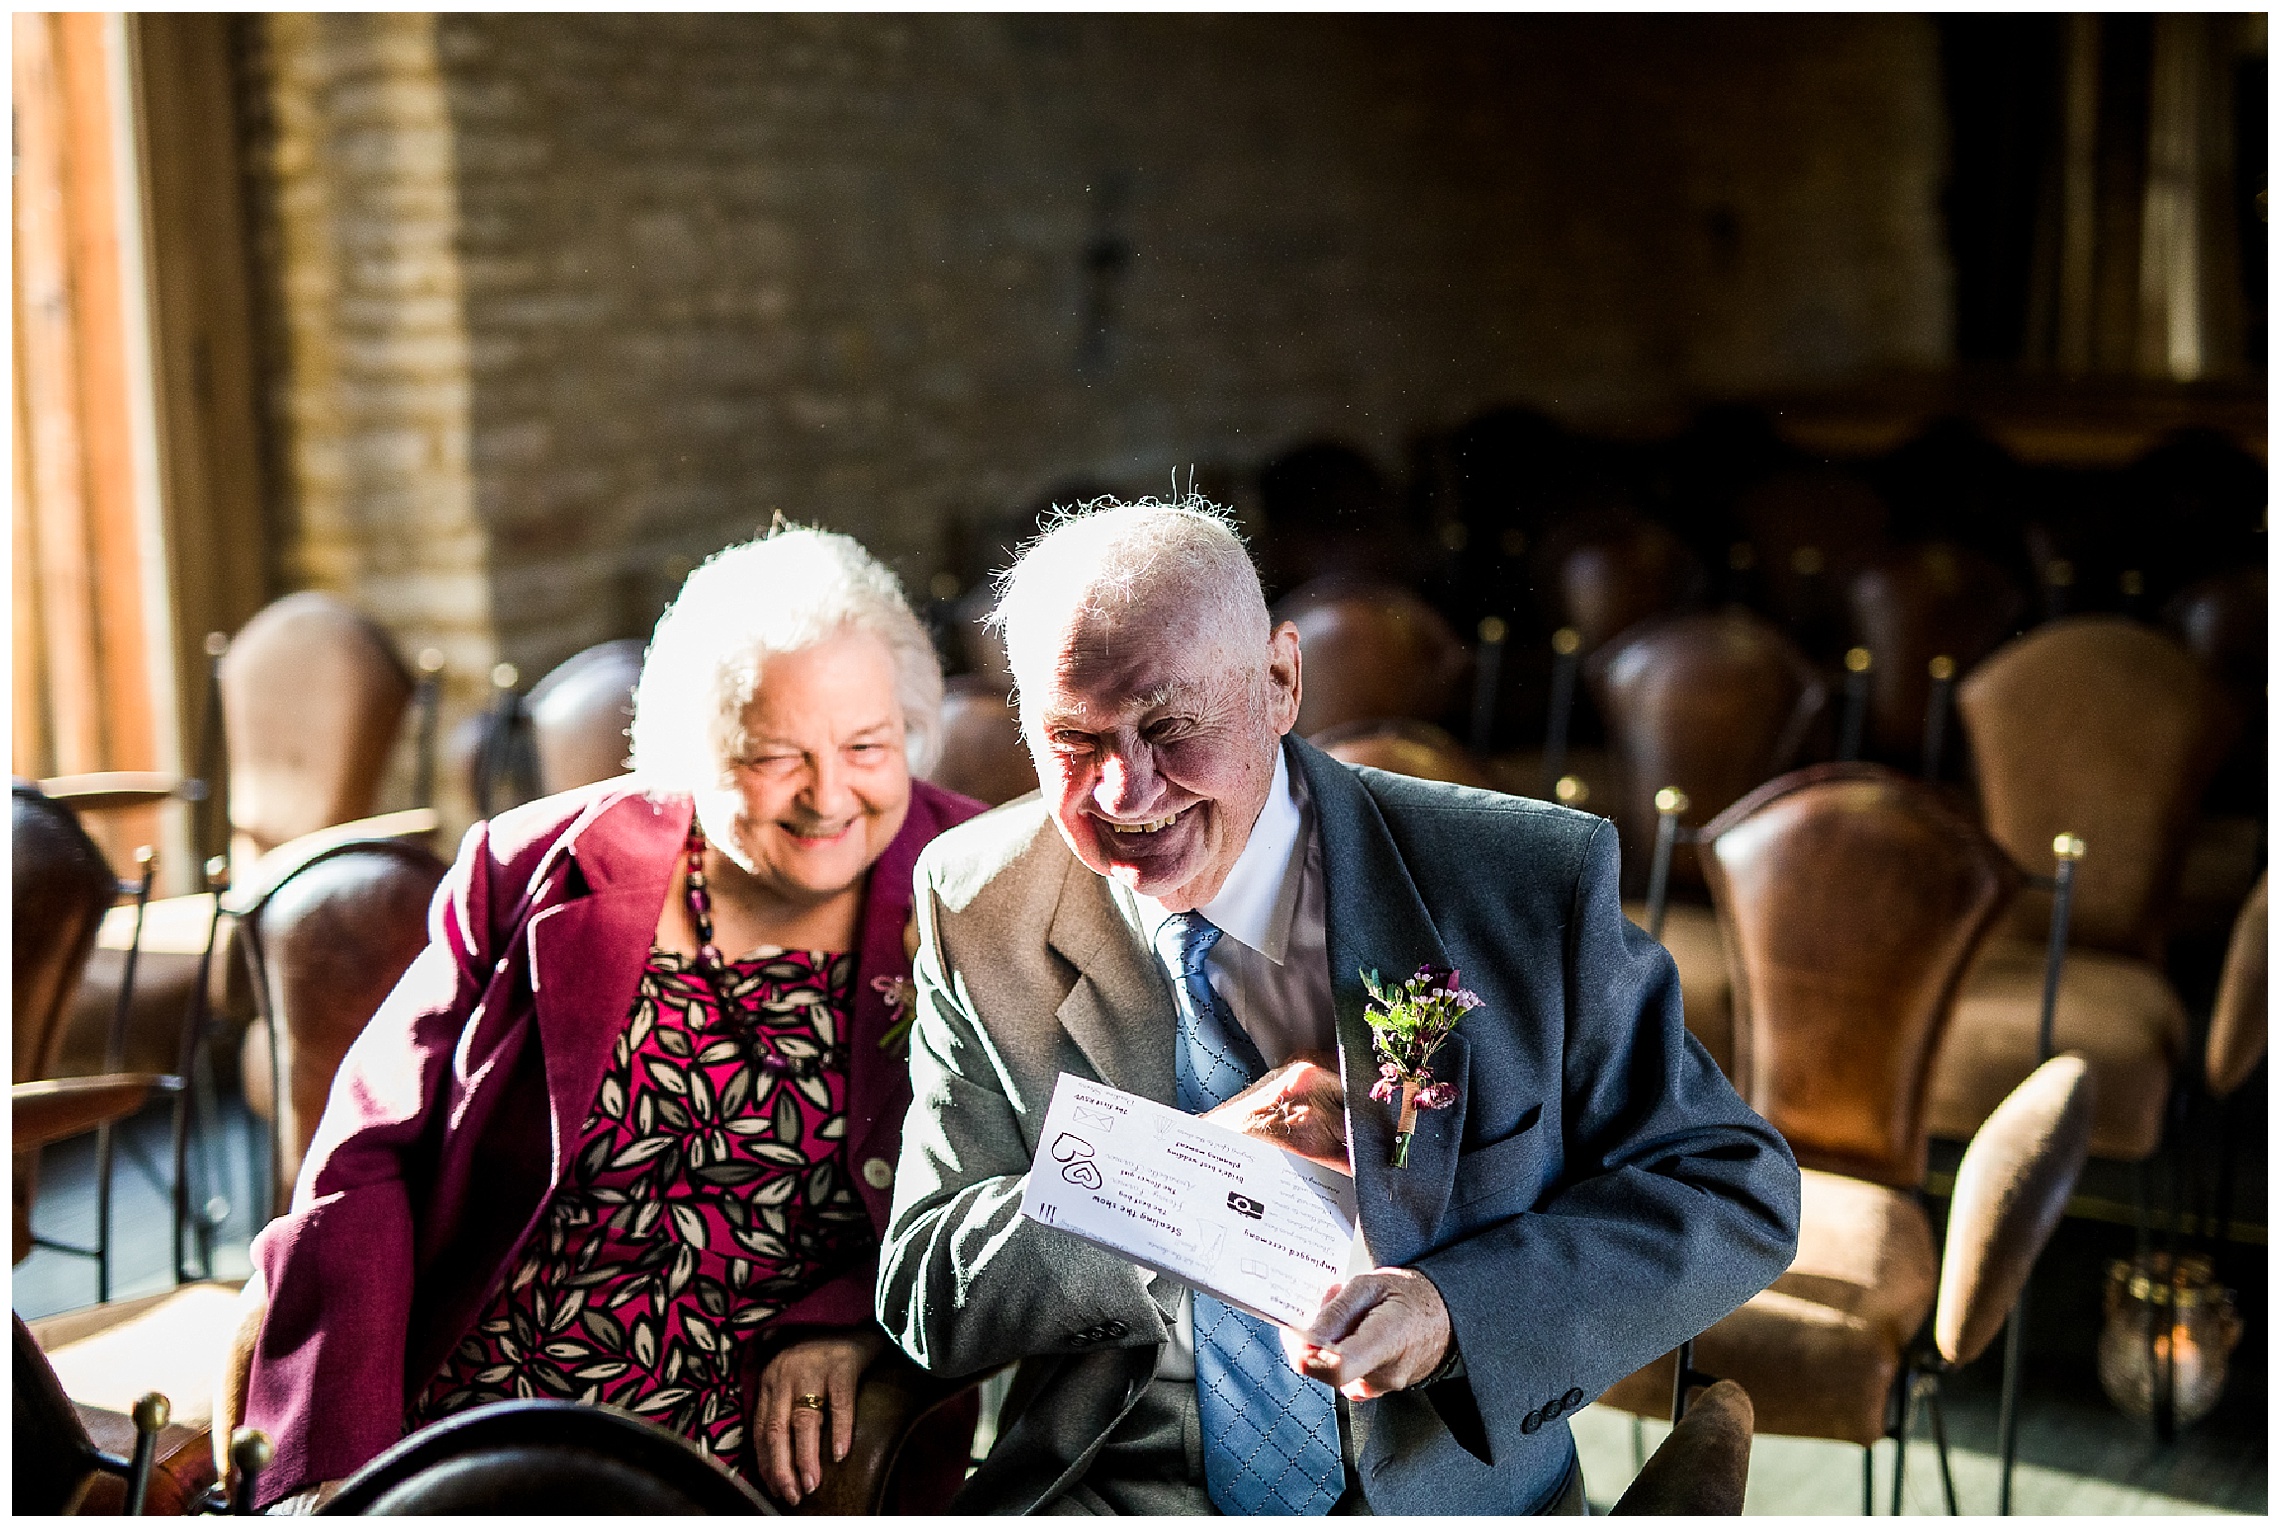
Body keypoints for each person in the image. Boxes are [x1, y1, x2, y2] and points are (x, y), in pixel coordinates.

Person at [877, 498, 1801, 1514]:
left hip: (1441, 1485)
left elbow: (1732, 1186)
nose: (1125, 794)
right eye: (1073, 738)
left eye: (1171, 727)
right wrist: (1177, 1180)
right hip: (1111, 1482)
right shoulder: (979, 898)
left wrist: (1456, 1311)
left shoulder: (1520, 882)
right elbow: (928, 1288)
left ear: (1280, 681)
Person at [240, 526, 986, 1509]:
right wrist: (336, 1461)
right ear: (693, 748)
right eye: (776, 756)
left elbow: (1029, 1184)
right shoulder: (533, 867)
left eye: (866, 747)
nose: (829, 794)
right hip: (486, 1396)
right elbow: (370, 1156)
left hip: (748, 1439)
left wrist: (866, 1327)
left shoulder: (981, 884)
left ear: (913, 730)